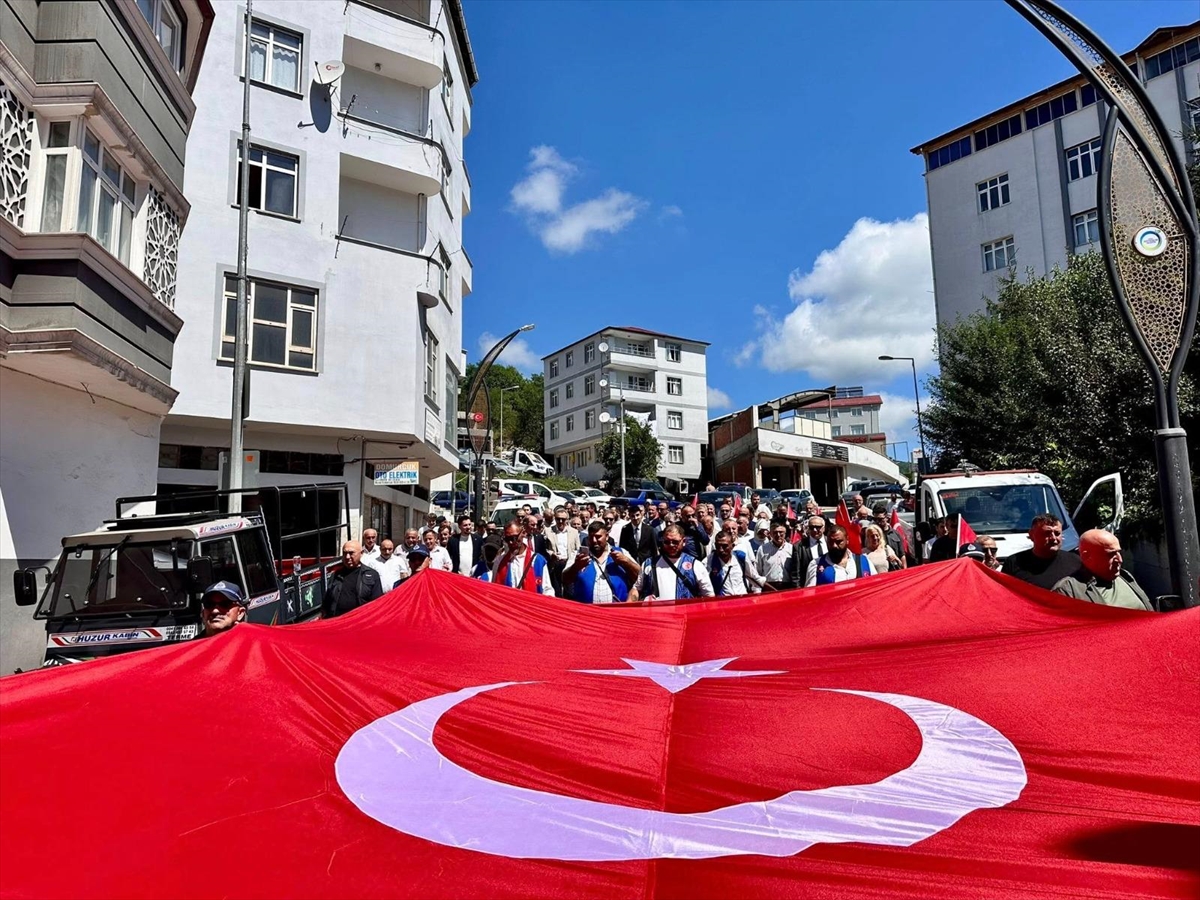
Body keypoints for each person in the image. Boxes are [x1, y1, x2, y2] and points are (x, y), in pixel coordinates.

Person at [1052, 529, 1154, 610]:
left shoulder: (1125, 577)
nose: (1119, 560)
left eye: (1119, 552)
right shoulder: (1067, 591)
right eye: (1111, 554)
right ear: (1087, 556)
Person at [563, 521, 641, 603]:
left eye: (598, 537)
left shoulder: (621, 553)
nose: (594, 540)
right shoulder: (578, 555)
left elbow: (640, 578)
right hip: (586, 611)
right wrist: (576, 567)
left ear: (607, 536)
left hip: (616, 610)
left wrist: (626, 561)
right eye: (591, 537)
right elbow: (565, 579)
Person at [636, 524, 714, 601]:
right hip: (656, 612)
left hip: (685, 612)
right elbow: (636, 589)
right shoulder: (649, 564)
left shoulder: (695, 565)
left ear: (684, 541)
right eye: (667, 542)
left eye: (675, 542)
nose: (671, 545)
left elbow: (709, 595)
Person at [1001, 514, 1079, 590]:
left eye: (1057, 533)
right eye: (1047, 533)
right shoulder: (1013, 563)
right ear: (1031, 535)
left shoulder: (1075, 562)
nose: (1053, 538)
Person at [491, 522, 555, 594]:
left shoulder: (538, 561)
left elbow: (547, 590)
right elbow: (494, 589)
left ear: (523, 533)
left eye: (514, 538)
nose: (511, 542)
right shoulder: (499, 562)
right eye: (507, 539)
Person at [326, 540, 384, 617]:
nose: (347, 557)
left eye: (351, 553)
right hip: (337, 621)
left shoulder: (371, 575)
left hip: (359, 622)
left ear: (361, 553)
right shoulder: (336, 575)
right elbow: (327, 601)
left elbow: (377, 604)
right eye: (345, 553)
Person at [806, 525, 876, 586]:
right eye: (831, 542)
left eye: (838, 542)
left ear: (847, 540)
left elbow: (876, 586)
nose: (834, 546)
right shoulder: (816, 565)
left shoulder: (864, 561)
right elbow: (810, 595)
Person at [709, 532, 766, 596]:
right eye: (718, 546)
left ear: (732, 546)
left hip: (743, 601)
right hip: (723, 603)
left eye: (724, 546)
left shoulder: (740, 557)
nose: (721, 549)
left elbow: (756, 579)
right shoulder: (709, 561)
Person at [755, 522, 794, 591]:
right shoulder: (763, 548)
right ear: (770, 534)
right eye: (775, 532)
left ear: (785, 533)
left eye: (781, 532)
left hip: (787, 586)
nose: (778, 535)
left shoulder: (791, 549)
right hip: (768, 586)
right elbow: (758, 570)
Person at [873, 503, 909, 567]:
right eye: (875, 519)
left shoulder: (895, 534)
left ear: (887, 517)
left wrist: (904, 570)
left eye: (880, 519)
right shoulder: (871, 536)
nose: (878, 522)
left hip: (895, 570)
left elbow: (902, 555)